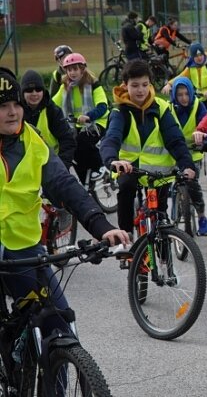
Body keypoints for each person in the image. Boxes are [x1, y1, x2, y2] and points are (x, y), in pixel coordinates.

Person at [0, 67, 130, 342]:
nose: (12, 112)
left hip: (26, 248)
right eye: (3, 106)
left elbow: (64, 184)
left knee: (59, 324)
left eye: (16, 104)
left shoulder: (32, 140)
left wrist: (101, 226)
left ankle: (55, 376)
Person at [99, 59, 197, 235]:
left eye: (145, 84)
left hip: (158, 172)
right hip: (130, 168)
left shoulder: (161, 107)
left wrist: (187, 165)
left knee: (160, 214)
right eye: (135, 85)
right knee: (126, 189)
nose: (140, 90)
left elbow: (175, 140)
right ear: (125, 85)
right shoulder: (120, 112)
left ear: (150, 85)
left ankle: (163, 247)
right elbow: (111, 139)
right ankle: (126, 237)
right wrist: (112, 161)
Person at [51, 53, 110, 185]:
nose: (72, 73)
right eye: (69, 70)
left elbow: (102, 106)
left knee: (83, 142)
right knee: (73, 151)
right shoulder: (65, 87)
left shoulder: (94, 84)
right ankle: (84, 183)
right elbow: (53, 104)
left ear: (82, 69)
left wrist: (89, 116)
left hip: (97, 123)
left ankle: (100, 167)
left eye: (75, 69)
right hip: (76, 126)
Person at [170, 76, 207, 236]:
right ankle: (174, 210)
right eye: (180, 95)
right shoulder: (169, 109)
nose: (184, 98)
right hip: (174, 155)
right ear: (174, 95)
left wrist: (204, 135)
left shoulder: (198, 106)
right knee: (172, 184)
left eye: (187, 94)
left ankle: (201, 217)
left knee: (193, 186)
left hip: (194, 154)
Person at [20, 70, 76, 170]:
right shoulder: (15, 113)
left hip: (52, 165)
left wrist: (61, 166)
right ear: (22, 93)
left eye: (38, 89)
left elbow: (67, 140)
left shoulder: (53, 111)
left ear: (43, 91)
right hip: (24, 168)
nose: (34, 93)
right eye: (29, 90)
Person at [162, 42, 207, 107]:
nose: (199, 58)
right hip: (202, 93)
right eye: (196, 56)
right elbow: (181, 76)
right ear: (192, 57)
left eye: (201, 55)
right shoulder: (191, 66)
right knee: (194, 106)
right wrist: (169, 84)